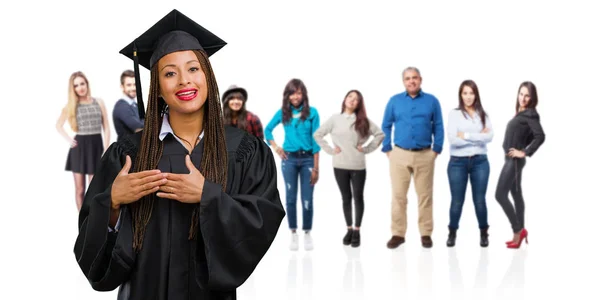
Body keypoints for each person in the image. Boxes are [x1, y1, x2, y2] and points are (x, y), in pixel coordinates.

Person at [73, 9, 285, 300]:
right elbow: (93, 257)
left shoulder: (244, 150)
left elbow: (262, 222)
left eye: (193, 69)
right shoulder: (128, 154)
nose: (184, 80)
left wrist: (208, 196)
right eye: (170, 73)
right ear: (157, 88)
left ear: (208, 77)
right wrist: (111, 203)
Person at [381, 67, 444, 249]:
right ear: (403, 82)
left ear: (421, 79)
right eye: (408, 78)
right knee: (398, 196)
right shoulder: (394, 101)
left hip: (425, 155)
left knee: (425, 196)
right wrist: (388, 149)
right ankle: (398, 234)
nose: (411, 81)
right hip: (399, 155)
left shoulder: (432, 101)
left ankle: (425, 233)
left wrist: (436, 150)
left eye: (414, 78)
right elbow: (386, 125)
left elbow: (438, 126)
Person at [313, 90, 384, 247]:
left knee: (358, 197)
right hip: (339, 165)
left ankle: (357, 230)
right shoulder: (335, 119)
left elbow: (380, 134)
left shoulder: (363, 120)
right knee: (346, 198)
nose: (352, 100)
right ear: (345, 99)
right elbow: (318, 134)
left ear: (359, 104)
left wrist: (366, 149)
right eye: (350, 97)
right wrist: (331, 150)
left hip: (358, 165)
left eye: (356, 99)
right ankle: (349, 229)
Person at [264, 78, 320, 251]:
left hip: (308, 160)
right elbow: (267, 130)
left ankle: (307, 232)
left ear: (303, 94)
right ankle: (293, 233)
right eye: (292, 93)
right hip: (289, 160)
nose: (295, 96)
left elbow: (316, 140)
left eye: (298, 92)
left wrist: (316, 168)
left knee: (307, 198)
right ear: (287, 96)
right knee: (290, 197)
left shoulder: (312, 112)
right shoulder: (283, 112)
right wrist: (276, 148)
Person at [495, 81, 545, 249]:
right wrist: (523, 146)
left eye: (527, 95)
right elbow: (530, 135)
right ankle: (519, 234)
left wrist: (523, 151)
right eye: (521, 94)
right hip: (511, 159)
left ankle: (518, 230)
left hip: (514, 161)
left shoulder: (531, 114)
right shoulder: (521, 113)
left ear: (532, 98)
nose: (523, 98)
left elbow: (540, 136)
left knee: (500, 195)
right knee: (516, 194)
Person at [445, 80, 493, 248]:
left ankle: (484, 233)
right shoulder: (454, 114)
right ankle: (452, 232)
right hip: (458, 162)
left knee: (480, 200)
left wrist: (464, 135)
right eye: (465, 93)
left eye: (471, 93)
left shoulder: (483, 114)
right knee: (457, 201)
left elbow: (490, 137)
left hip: (480, 162)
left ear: (476, 95)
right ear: (460, 95)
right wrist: (477, 136)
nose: (468, 97)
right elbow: (452, 139)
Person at [56, 71, 110, 211]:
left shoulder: (98, 102)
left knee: (93, 189)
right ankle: (82, 223)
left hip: (96, 146)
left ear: (87, 84)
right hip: (80, 148)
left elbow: (106, 126)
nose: (80, 87)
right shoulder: (71, 105)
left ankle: (92, 219)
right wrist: (69, 140)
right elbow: (58, 125)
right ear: (72, 88)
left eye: (82, 83)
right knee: (80, 190)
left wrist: (106, 147)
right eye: (76, 85)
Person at [113, 69, 144, 142]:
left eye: (135, 84)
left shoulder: (135, 105)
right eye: (129, 85)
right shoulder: (121, 107)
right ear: (122, 87)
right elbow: (139, 129)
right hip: (127, 152)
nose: (133, 88)